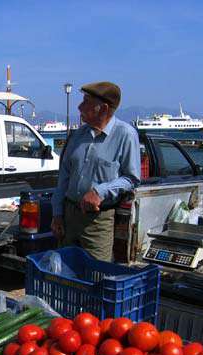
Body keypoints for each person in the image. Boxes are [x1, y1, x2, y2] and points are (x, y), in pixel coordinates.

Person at [50, 81, 141, 262]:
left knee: (96, 275)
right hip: (69, 216)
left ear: (103, 108)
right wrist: (57, 215)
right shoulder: (77, 136)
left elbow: (131, 178)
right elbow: (63, 179)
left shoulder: (125, 135)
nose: (79, 106)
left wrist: (100, 191)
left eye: (86, 101)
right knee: (65, 271)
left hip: (97, 221)